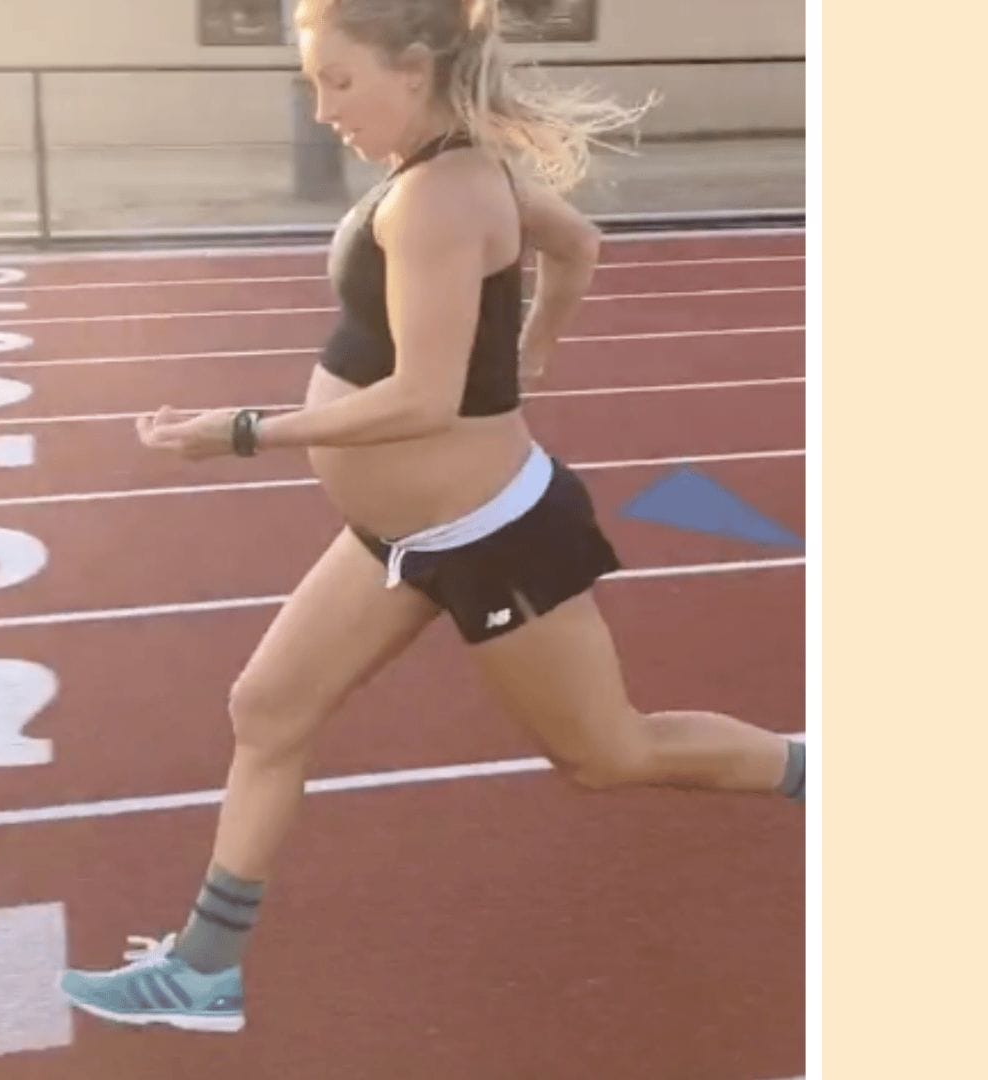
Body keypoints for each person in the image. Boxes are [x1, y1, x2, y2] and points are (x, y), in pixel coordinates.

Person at [57, 0, 804, 1034]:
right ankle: (204, 969)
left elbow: (424, 400)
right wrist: (538, 339)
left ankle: (814, 770)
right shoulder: (459, 174)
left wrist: (236, 432)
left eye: (339, 81)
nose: (323, 110)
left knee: (610, 756)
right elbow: (577, 244)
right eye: (314, 84)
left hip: (491, 537)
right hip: (395, 539)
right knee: (267, 710)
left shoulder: (437, 201)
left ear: (414, 69)